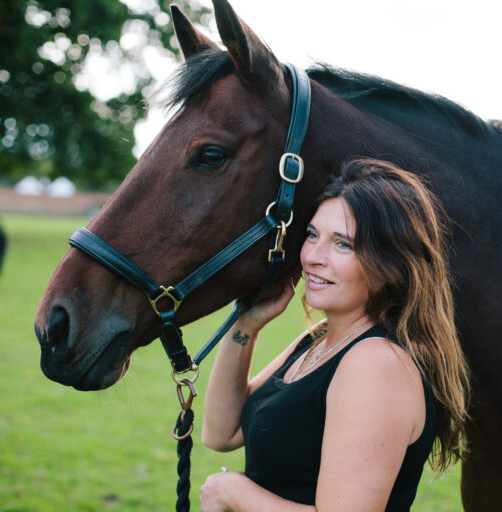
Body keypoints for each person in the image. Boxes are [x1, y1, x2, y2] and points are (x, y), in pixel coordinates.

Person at [199, 158, 470, 511]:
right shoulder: (319, 340)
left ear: (391, 265)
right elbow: (220, 432)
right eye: (313, 235)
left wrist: (233, 493)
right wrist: (245, 327)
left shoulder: (377, 364)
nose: (313, 256)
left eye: (343, 244)